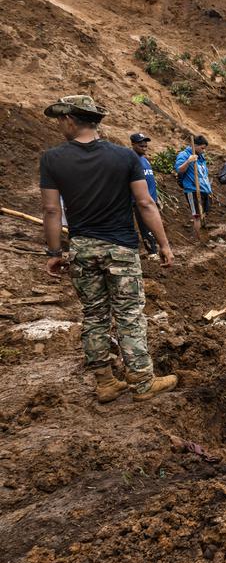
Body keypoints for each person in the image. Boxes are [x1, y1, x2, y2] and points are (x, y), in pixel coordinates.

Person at [39, 95, 177, 403]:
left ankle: (105, 382)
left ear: (71, 121)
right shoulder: (125, 158)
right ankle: (142, 382)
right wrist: (164, 245)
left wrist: (54, 253)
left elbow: (51, 211)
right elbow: (145, 203)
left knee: (94, 314)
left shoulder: (52, 159)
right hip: (121, 249)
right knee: (129, 314)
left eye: (62, 120)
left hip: (82, 249)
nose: (61, 125)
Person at [173, 135, 211, 239]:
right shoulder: (184, 155)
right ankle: (199, 239)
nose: (203, 151)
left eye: (204, 148)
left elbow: (204, 174)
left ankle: (203, 236)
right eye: (202, 148)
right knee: (197, 216)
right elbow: (179, 170)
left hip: (204, 189)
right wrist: (188, 161)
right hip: (193, 189)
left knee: (204, 213)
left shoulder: (201, 157)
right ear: (195, 146)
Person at [129, 132, 159, 255]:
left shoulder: (145, 161)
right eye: (141, 144)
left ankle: (155, 250)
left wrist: (157, 199)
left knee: (154, 227)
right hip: (140, 202)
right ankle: (152, 253)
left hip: (152, 201)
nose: (144, 146)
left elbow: (150, 182)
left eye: (145, 144)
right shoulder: (131, 161)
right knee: (146, 229)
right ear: (133, 144)